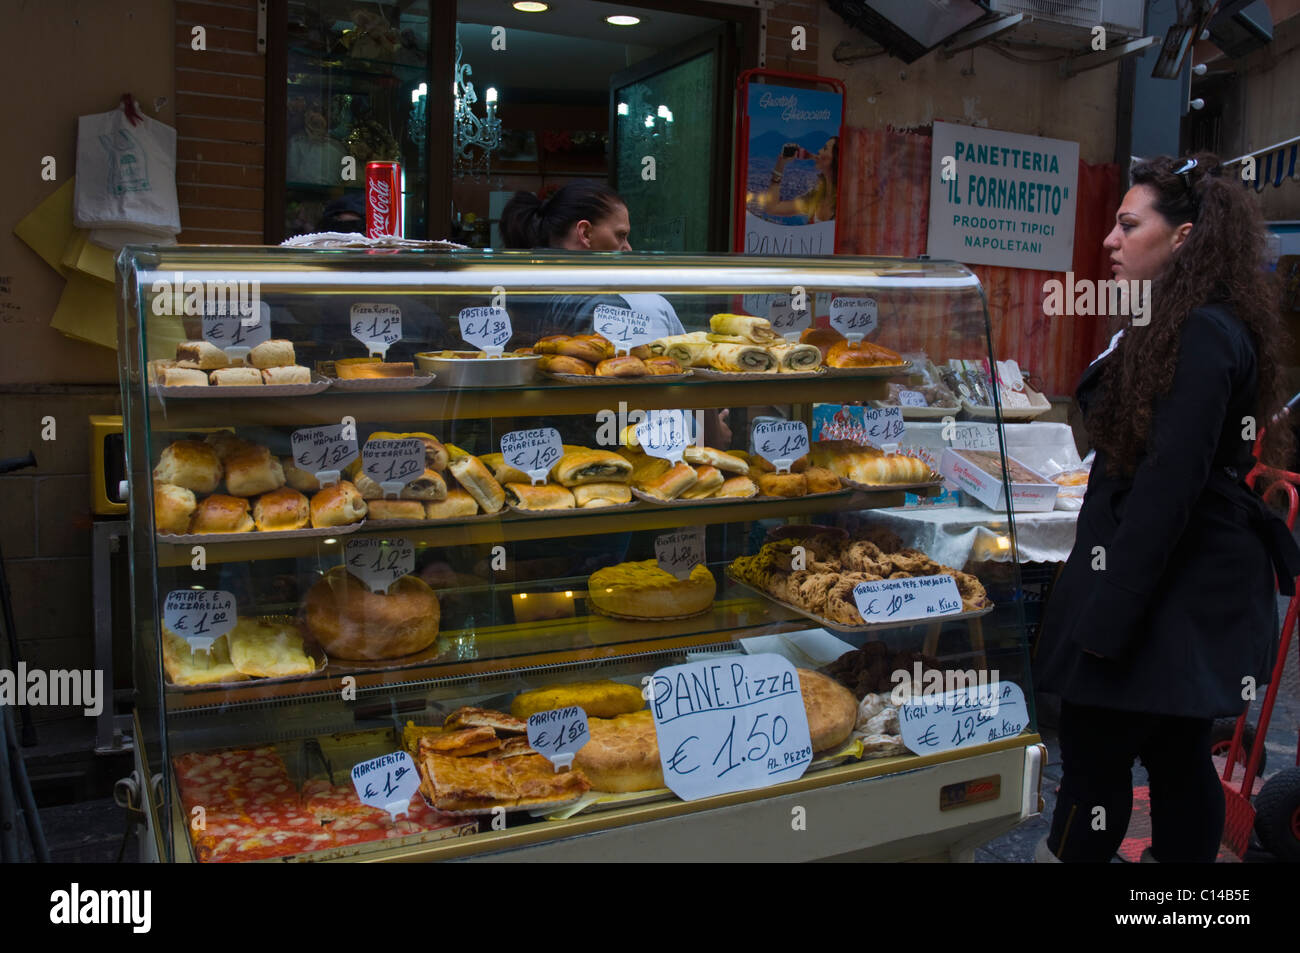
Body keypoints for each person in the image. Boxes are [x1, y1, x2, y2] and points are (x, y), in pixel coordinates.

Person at [1033, 153, 1300, 863]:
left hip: (1161, 591)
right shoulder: (1178, 321)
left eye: (1128, 225)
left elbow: (1169, 483)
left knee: (1099, 760)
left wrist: (1107, 619)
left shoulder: (1204, 331)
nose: (1109, 241)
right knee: (1174, 754)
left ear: (1182, 237)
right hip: (1173, 588)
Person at [498, 181, 684, 338]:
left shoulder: (510, 288)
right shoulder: (642, 305)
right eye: (620, 235)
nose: (628, 248)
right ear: (585, 233)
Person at [755, 137, 838, 224]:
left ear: (836, 158)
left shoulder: (844, 201)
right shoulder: (815, 197)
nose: (819, 151)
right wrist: (781, 163)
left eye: (825, 149)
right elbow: (772, 208)